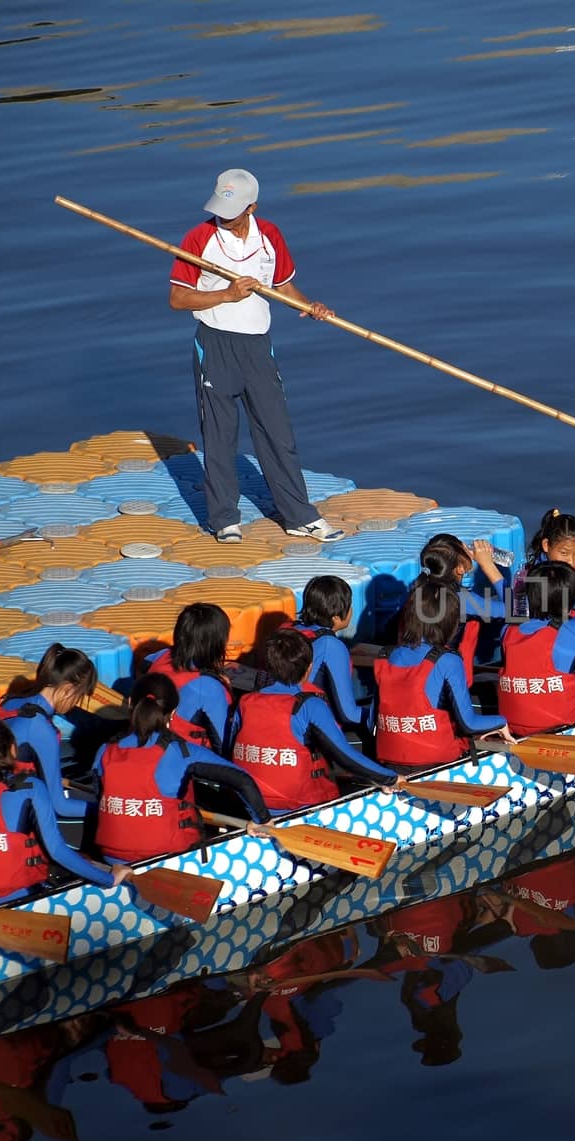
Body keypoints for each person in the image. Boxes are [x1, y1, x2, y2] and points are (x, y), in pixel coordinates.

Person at [168, 167, 345, 546]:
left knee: (278, 433)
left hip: (257, 346)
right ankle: (224, 519)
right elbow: (178, 298)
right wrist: (226, 295)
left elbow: (282, 284)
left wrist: (309, 305)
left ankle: (299, 516)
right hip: (214, 344)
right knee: (220, 436)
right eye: (219, 208)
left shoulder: (270, 235)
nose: (224, 217)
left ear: (252, 206)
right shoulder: (199, 238)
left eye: (232, 211)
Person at [0, 720, 132, 910]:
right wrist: (109, 878)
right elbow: (56, 851)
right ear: (12, 750)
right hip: (13, 901)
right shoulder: (29, 787)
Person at [91, 674, 268, 863]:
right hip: (171, 858)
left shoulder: (105, 750)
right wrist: (263, 821)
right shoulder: (182, 752)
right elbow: (243, 780)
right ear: (173, 712)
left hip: (112, 859)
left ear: (129, 703)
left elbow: (98, 797)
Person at [230, 630, 401, 814]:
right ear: (309, 668)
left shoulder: (245, 702)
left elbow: (229, 750)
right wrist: (389, 778)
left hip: (252, 805)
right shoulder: (310, 705)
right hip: (302, 806)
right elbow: (345, 756)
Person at [368, 577, 513, 770]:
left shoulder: (386, 655)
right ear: (450, 623)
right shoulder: (448, 660)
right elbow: (469, 724)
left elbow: (372, 722)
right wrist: (500, 721)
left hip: (390, 763)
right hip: (438, 763)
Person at [0, 644, 97, 820]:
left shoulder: (11, 701)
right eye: (79, 697)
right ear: (67, 690)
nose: (76, 704)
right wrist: (107, 810)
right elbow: (59, 806)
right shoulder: (40, 728)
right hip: (4, 817)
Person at [497, 562, 575, 736]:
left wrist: (545, 593)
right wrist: (566, 595)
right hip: (564, 725)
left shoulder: (507, 630)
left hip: (514, 726)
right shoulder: (570, 631)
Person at [418, 534, 507, 687]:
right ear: (459, 569)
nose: (469, 549)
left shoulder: (417, 593)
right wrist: (488, 565)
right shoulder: (463, 600)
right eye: (464, 548)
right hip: (445, 683)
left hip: (415, 674)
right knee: (475, 624)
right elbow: (517, 610)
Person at [142, 603, 234, 751]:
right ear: (215, 643)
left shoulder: (155, 658)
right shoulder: (210, 688)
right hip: (184, 763)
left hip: (147, 748)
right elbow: (224, 745)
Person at [287, 576, 365, 726]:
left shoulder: (289, 630)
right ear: (336, 618)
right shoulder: (331, 645)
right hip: (308, 729)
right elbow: (348, 715)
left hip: (281, 715)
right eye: (350, 606)